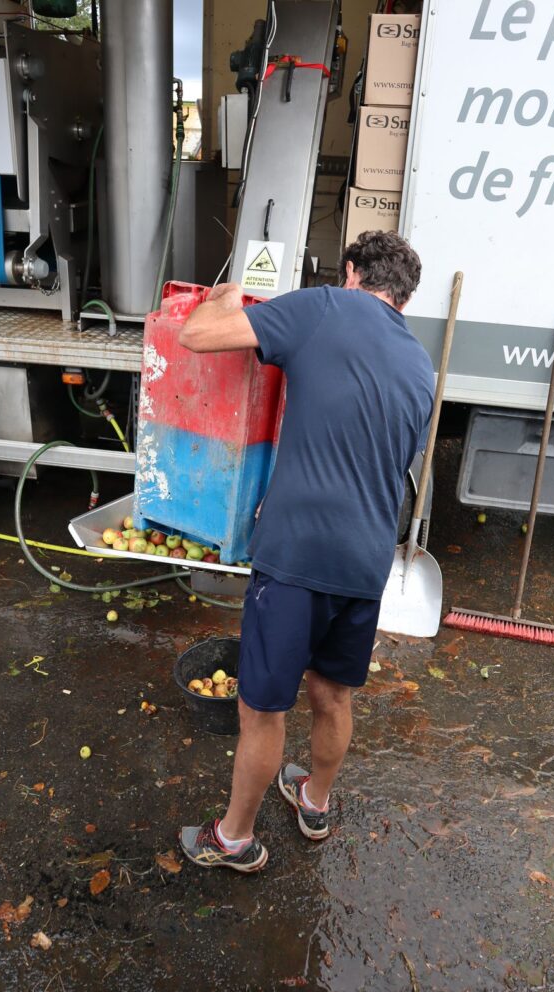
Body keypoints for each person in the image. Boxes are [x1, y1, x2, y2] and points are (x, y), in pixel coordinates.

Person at [178, 230, 434, 873]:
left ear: (351, 273)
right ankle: (314, 800)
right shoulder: (419, 367)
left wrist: (226, 296)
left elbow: (197, 336)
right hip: (367, 559)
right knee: (333, 694)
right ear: (403, 297)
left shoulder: (322, 307)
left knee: (262, 708)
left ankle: (234, 839)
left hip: (297, 556)